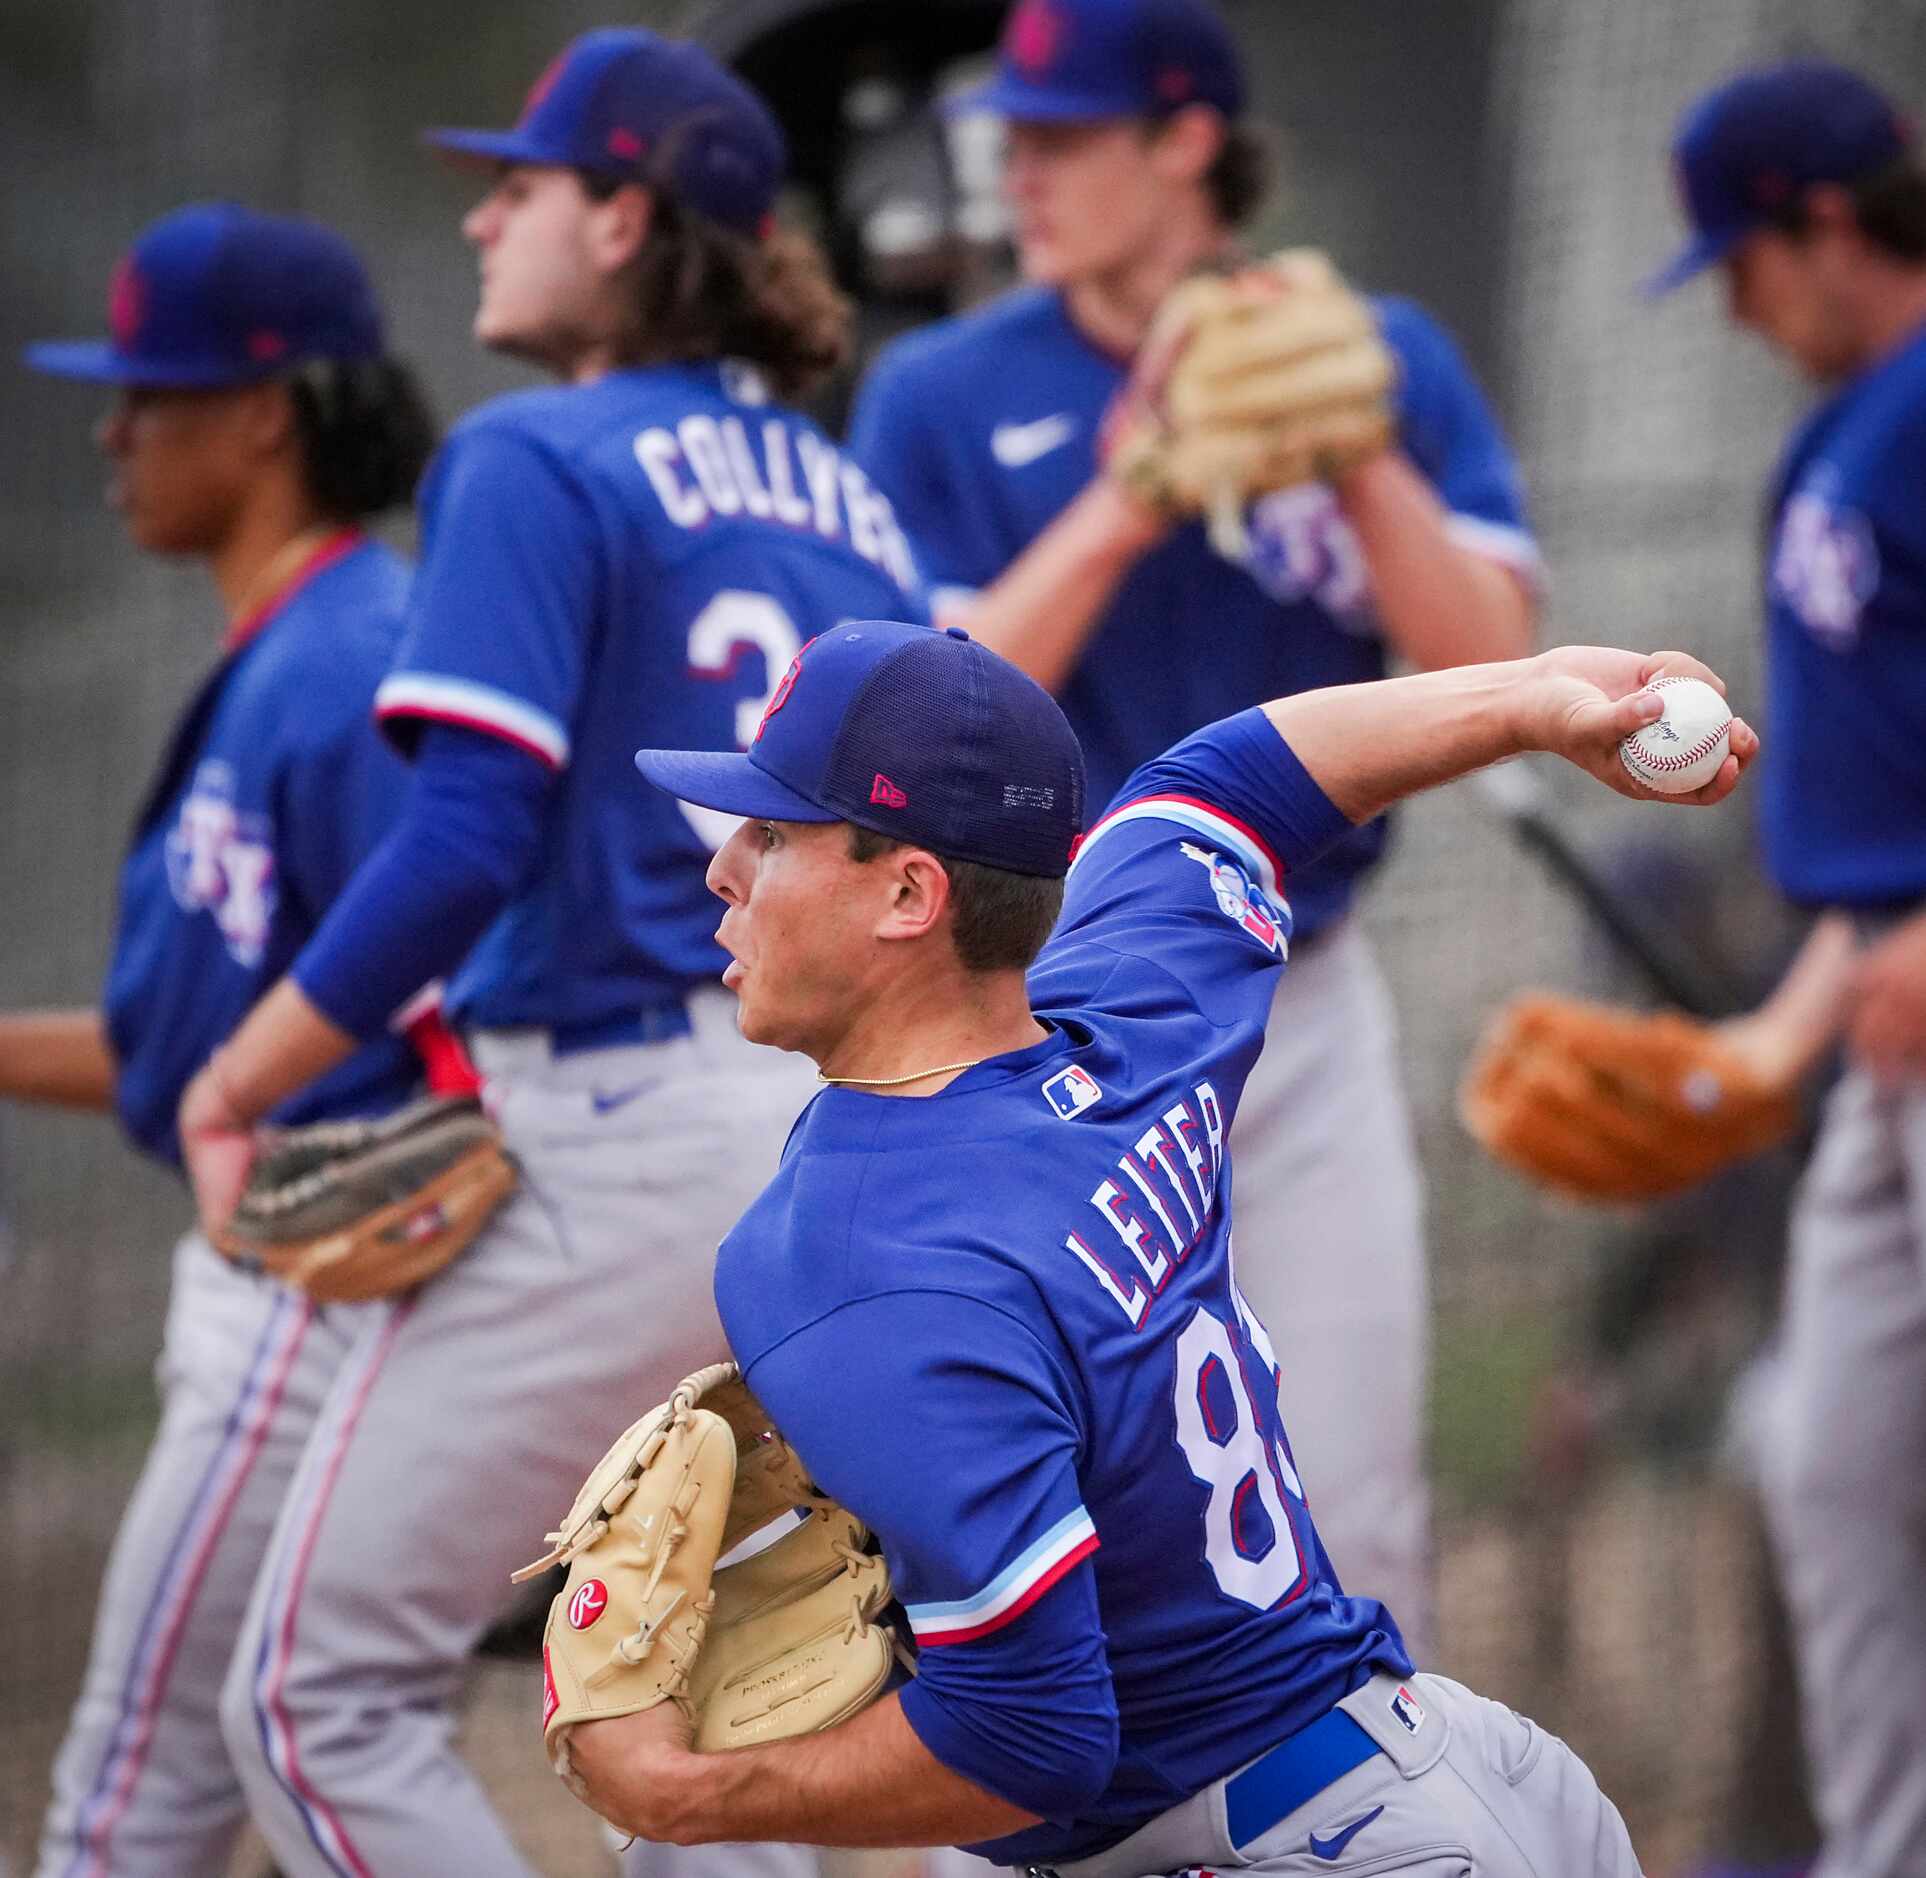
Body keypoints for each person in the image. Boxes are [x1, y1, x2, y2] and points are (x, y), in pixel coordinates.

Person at [567, 622, 1750, 1872]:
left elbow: (1032, 1741)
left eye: (771, 835)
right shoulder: (1135, 1009)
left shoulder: (846, 1263)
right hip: (1447, 1773)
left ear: (912, 894)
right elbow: (1228, 778)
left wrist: (681, 1798)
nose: (723, 874)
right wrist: (1539, 696)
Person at [163, 28, 921, 1878]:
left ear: (628, 216)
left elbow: (463, 838)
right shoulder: (855, 503)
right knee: (708, 1701)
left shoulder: (528, 453)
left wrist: (241, 1072)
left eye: (527, 182)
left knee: (312, 1689)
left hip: (618, 1136)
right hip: (832, 1144)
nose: (489, 213)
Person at [846, 0, 1542, 1647]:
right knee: (1016, 1538)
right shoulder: (941, 389)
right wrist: (1137, 488)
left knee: (1356, 1510)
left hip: (1302, 998)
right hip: (1032, 1016)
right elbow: (921, 720)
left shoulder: (1375, 356)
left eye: (1064, 136)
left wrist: (1360, 455)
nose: (1019, 170)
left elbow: (1499, 668)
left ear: (1186, 141)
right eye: (1006, 137)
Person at [16, 203, 436, 1877]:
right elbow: (180, 1057)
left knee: (139, 1801)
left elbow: (427, 1035)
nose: (113, 433)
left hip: (324, 1286)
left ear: (266, 410)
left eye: (151, 392)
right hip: (300, 1276)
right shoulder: (296, 649)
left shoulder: (358, 670)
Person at [1647, 60, 1926, 1878]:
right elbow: (1869, 841)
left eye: (1741, 262)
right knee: (1831, 1464)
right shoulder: (1849, 429)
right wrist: (1765, 1045)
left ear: (1825, 223)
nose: (1736, 308)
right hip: (1878, 1044)